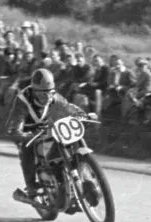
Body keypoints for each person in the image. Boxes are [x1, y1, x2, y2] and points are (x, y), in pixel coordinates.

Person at [6, 69, 96, 202]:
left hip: (45, 128)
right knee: (27, 148)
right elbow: (16, 121)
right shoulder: (23, 100)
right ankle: (31, 186)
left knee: (63, 141)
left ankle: (73, 173)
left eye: (49, 92)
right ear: (34, 91)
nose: (47, 97)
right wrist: (20, 133)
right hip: (27, 131)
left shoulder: (52, 95)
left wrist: (81, 115)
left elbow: (67, 106)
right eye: (42, 94)